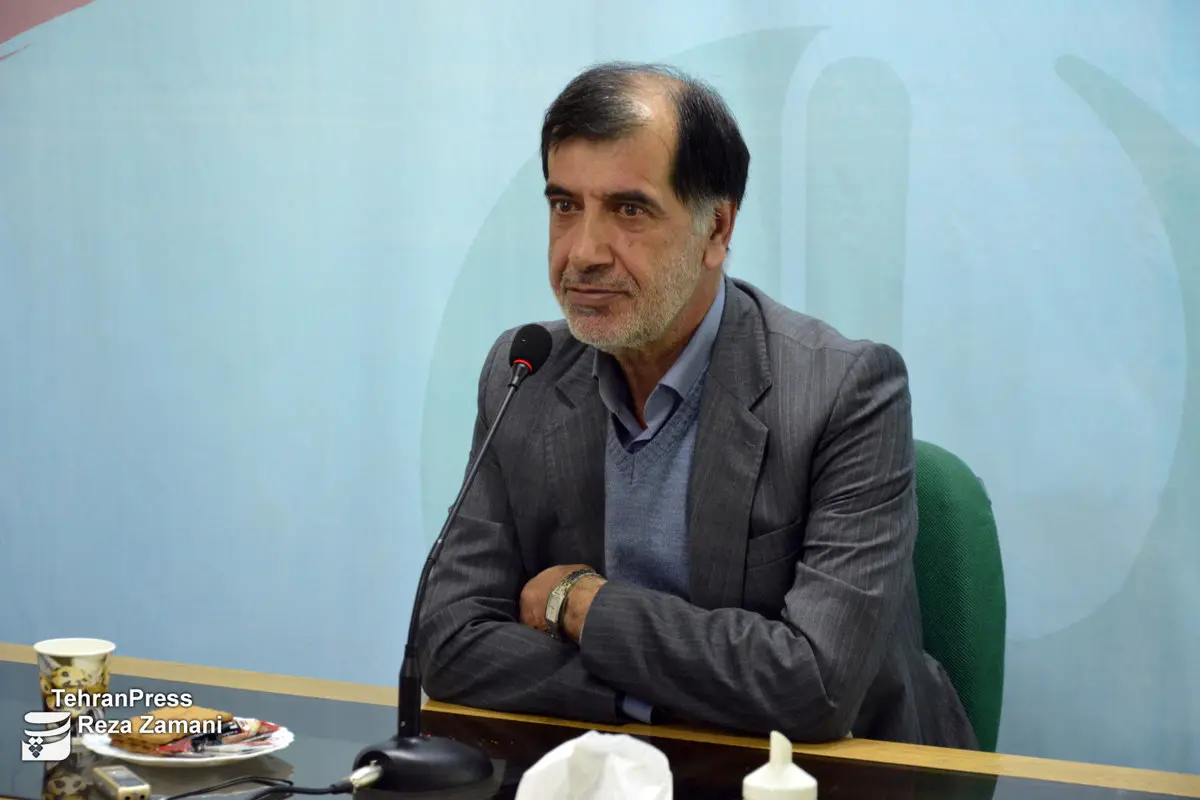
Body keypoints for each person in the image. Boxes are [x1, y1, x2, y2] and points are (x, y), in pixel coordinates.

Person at [415, 61, 978, 749]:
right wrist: (654, 699)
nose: (583, 252)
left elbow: (814, 687)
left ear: (716, 229)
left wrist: (583, 606)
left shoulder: (844, 391)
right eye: (565, 206)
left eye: (629, 210)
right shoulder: (526, 370)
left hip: (833, 777)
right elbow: (450, 640)